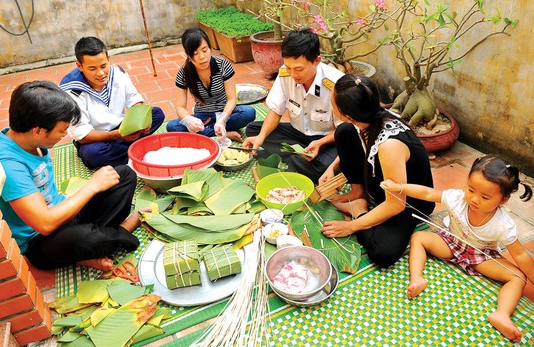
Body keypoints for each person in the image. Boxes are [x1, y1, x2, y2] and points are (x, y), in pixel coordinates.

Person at [381, 155, 534, 343]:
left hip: (482, 257)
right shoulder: (457, 198)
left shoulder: (503, 224)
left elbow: (519, 254)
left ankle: (502, 314)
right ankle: (416, 278)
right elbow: (429, 193)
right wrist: (401, 188)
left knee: (518, 277)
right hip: (451, 243)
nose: (474, 199)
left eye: (485, 197)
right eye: (471, 190)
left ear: (503, 200)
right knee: (419, 237)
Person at [0, 81, 141, 271]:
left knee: (123, 174)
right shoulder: (7, 163)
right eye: (61, 130)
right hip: (40, 241)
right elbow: (44, 224)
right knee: (88, 238)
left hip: (64, 214)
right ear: (37, 130)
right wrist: (92, 186)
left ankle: (93, 246)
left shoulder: (30, 140)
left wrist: (90, 190)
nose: (65, 135)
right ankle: (121, 231)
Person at [320, 74, 435, 268]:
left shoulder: (390, 145)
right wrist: (333, 167)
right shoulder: (366, 117)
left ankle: (359, 207)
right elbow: (359, 140)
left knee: (383, 253)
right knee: (344, 133)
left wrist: (351, 225)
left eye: (332, 101)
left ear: (348, 114)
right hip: (384, 186)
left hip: (410, 203)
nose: (330, 102)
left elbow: (396, 205)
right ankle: (358, 193)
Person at [242, 28, 344, 182]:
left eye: (299, 69)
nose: (293, 74)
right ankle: (298, 158)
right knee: (253, 130)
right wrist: (261, 138)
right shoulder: (285, 73)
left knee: (322, 167)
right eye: (289, 67)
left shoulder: (335, 84)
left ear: (317, 61)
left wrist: (320, 143)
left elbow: (345, 130)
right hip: (298, 135)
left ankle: (295, 158)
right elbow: (276, 111)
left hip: (327, 140)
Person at [59, 36, 165, 169]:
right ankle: (134, 149)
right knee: (92, 154)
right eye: (92, 69)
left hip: (121, 128)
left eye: (104, 66)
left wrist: (141, 121)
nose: (100, 73)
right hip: (97, 137)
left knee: (156, 114)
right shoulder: (71, 91)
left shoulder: (118, 73)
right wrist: (117, 135)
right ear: (79, 66)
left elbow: (134, 99)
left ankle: (125, 151)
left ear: (108, 59)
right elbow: (83, 135)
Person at [166, 28, 255, 142]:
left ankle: (208, 132)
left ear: (210, 47)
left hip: (225, 113)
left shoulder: (223, 65)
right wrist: (189, 120)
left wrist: (222, 119)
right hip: (203, 117)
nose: (202, 57)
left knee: (248, 112)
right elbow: (180, 107)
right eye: (195, 53)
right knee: (172, 126)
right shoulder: (184, 73)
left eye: (204, 50)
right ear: (188, 55)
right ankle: (223, 133)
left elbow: (232, 99)